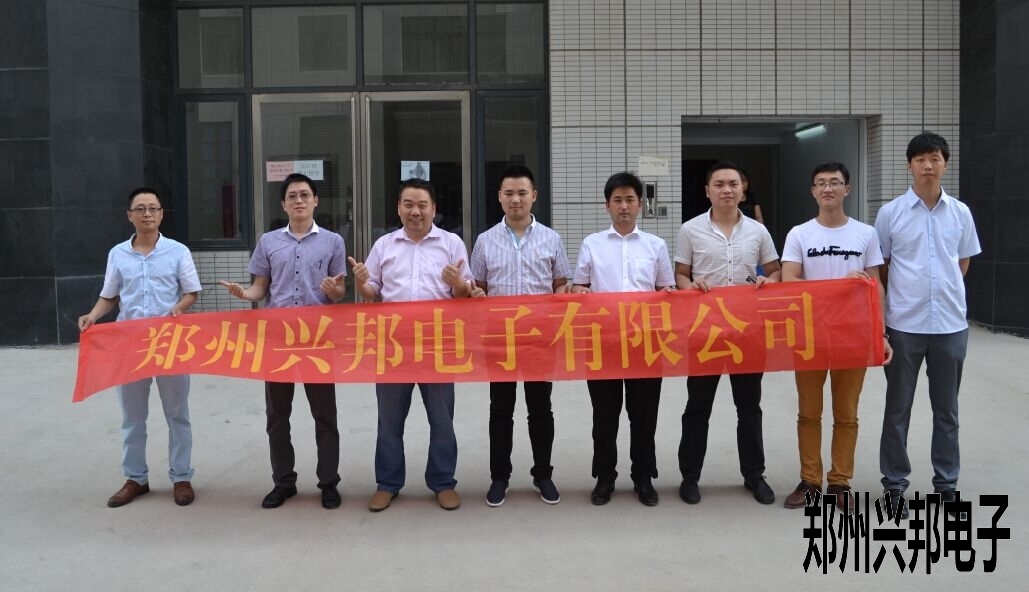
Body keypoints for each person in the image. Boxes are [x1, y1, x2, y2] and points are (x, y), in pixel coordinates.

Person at [349, 178, 480, 512]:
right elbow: (372, 292)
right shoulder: (384, 246)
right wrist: (362, 283)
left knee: (442, 419)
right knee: (389, 421)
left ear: (434, 208)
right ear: (398, 208)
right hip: (393, 346)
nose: (415, 211)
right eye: (408, 204)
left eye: (422, 205)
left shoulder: (451, 244)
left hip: (438, 346)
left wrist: (458, 284)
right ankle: (387, 483)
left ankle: (443, 482)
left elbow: (464, 294)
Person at [219, 173, 347, 510]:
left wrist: (333, 289)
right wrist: (244, 293)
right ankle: (283, 482)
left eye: (305, 195)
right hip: (277, 340)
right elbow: (261, 288)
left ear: (315, 201)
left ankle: (329, 483)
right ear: (283, 204)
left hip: (317, 340)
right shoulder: (269, 242)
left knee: (325, 416)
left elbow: (339, 292)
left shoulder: (333, 241)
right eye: (292, 196)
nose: (299, 200)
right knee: (277, 415)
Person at [875, 132, 981, 519]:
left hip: (950, 324)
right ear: (910, 165)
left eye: (934, 158)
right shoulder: (891, 213)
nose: (927, 165)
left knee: (947, 410)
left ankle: (946, 485)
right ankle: (894, 485)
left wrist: (942, 292)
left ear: (945, 164)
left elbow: (962, 262)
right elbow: (882, 266)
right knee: (897, 409)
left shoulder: (960, 213)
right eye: (920, 159)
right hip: (904, 324)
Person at [79, 187, 202, 508]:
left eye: (153, 208)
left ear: (161, 214)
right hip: (131, 347)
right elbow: (110, 295)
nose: (147, 214)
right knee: (132, 418)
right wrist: (93, 315)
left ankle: (181, 476)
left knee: (177, 414)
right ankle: (136, 478)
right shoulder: (118, 254)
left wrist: (178, 308)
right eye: (141, 209)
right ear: (130, 215)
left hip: (170, 345)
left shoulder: (178, 251)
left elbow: (191, 292)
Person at [780, 162, 893, 511]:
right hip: (810, 334)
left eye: (835, 182)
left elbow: (875, 285)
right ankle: (809, 480)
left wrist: (880, 332)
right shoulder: (800, 234)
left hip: (852, 334)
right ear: (813, 191)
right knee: (809, 412)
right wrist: (837, 286)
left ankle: (840, 482)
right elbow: (789, 280)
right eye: (821, 183)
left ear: (847, 189)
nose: (827, 188)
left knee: (846, 414)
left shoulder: (865, 234)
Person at [674, 160, 781, 506]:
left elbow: (776, 270)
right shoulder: (690, 230)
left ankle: (754, 475)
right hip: (704, 332)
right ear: (708, 191)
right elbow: (681, 274)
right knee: (697, 407)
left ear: (742, 189)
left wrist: (768, 280)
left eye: (733, 184)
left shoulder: (758, 231)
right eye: (719, 184)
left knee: (749, 407)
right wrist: (691, 286)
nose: (727, 190)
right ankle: (690, 477)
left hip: (747, 331)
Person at [571, 172, 676, 507]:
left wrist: (669, 295)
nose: (624, 206)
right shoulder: (592, 244)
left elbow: (666, 290)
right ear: (607, 206)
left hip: (646, 342)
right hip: (604, 342)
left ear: (640, 204)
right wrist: (578, 292)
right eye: (617, 200)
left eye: (630, 199)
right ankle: (605, 477)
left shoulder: (655, 245)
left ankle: (643, 477)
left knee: (644, 415)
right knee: (605, 415)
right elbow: (580, 287)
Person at [470, 164, 571, 507]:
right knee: (500, 410)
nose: (516, 199)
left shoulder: (551, 239)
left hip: (539, 340)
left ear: (534, 196)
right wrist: (475, 294)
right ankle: (499, 477)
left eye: (522, 193)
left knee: (540, 409)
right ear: (500, 197)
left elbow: (561, 284)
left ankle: (543, 474)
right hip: (499, 340)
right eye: (509, 193)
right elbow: (478, 286)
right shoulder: (485, 241)